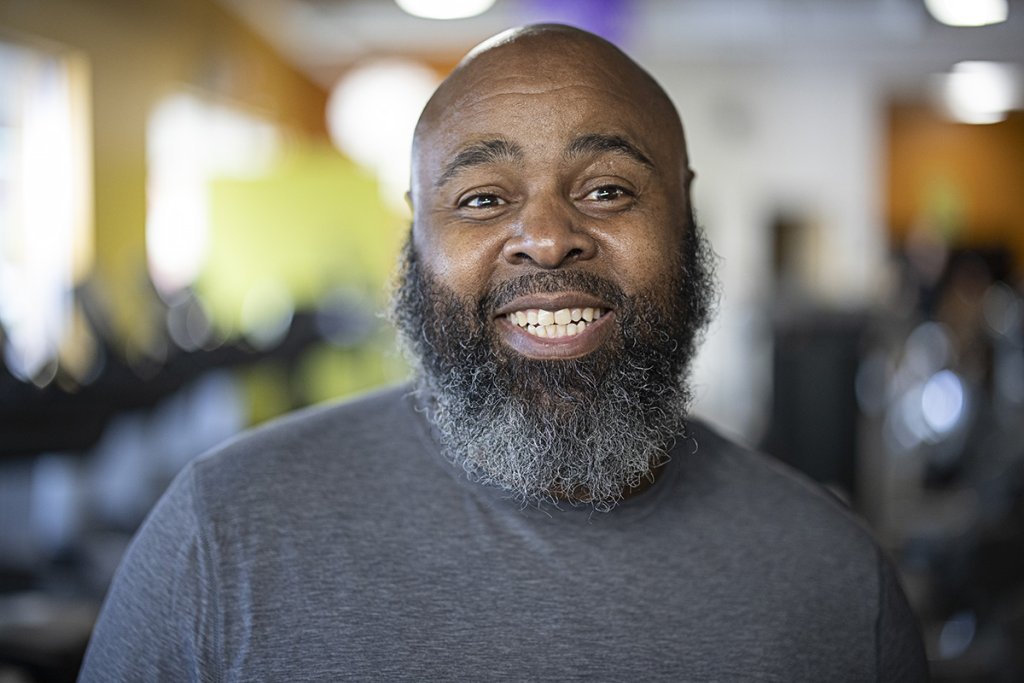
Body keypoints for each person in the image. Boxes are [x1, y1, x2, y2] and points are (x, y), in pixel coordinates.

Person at [79, 24, 929, 681]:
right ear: (416, 233)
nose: (550, 238)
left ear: (683, 214)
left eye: (607, 189)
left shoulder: (834, 580)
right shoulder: (219, 536)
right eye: (483, 198)